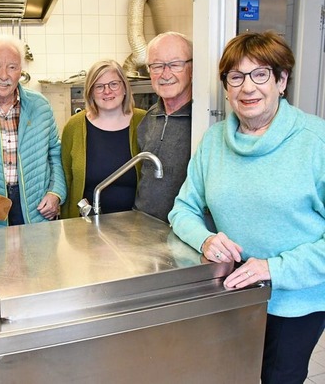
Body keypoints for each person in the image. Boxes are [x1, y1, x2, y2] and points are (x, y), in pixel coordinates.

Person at [168, 31, 325, 384]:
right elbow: (182, 209)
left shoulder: (316, 142)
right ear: (226, 87)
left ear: (282, 81)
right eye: (236, 77)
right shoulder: (213, 142)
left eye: (261, 74)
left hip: (295, 302)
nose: (247, 87)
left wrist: (273, 267)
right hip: (233, 295)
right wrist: (205, 240)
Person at [0, 35, 66, 229]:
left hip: (37, 211)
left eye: (12, 67)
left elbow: (55, 154)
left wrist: (56, 193)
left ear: (20, 70)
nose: (4, 76)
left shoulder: (40, 105)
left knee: (39, 259)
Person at [61, 59, 146, 218]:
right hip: (87, 226)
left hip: (137, 225)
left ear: (125, 87)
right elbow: (66, 178)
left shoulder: (144, 121)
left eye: (114, 84)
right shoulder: (74, 126)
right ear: (90, 92)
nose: (107, 91)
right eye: (99, 86)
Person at [134, 31, 193, 222]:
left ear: (192, 68)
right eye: (157, 66)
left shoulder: (203, 121)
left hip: (184, 232)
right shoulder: (149, 118)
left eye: (175, 65)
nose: (165, 74)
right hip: (144, 226)